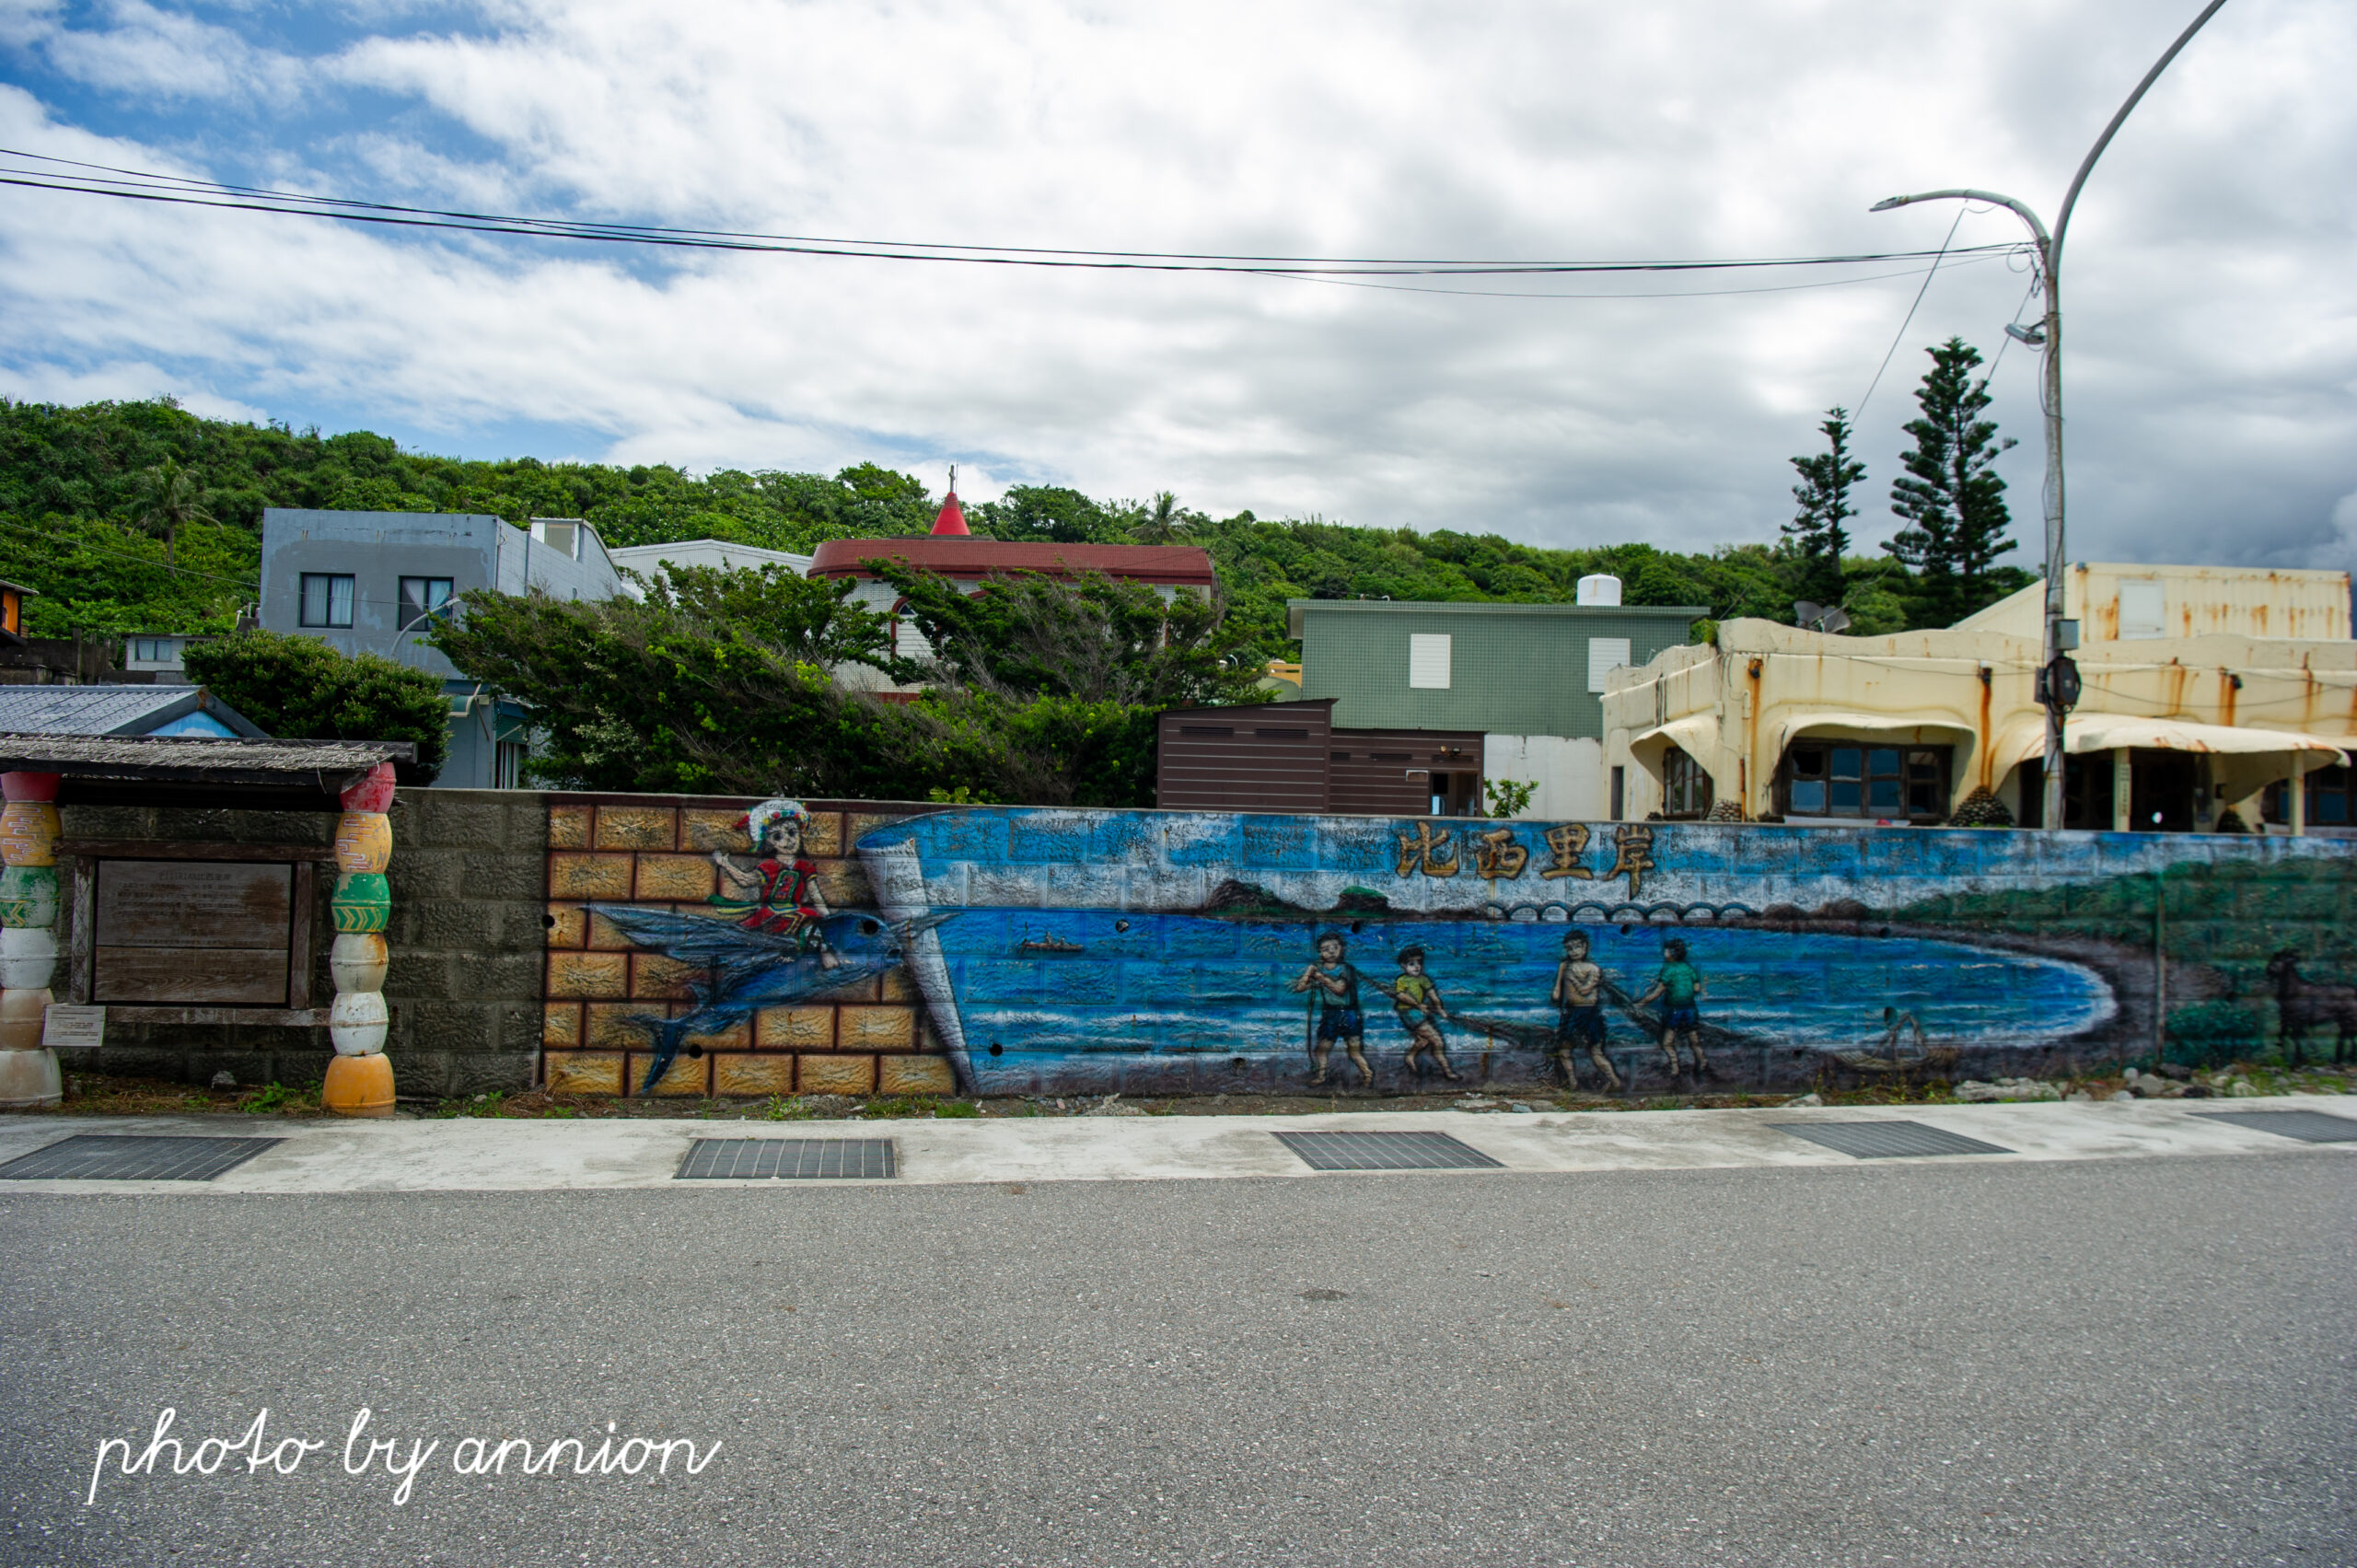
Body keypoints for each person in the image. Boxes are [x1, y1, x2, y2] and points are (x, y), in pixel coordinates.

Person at [711, 797, 835, 964]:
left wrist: (827, 916)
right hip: (771, 912)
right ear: (769, 841)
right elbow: (746, 880)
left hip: (795, 910)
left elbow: (815, 894)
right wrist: (725, 864)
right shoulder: (769, 866)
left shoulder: (804, 866)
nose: (788, 840)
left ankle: (824, 953)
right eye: (778, 836)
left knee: (811, 922)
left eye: (792, 832)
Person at [1289, 932, 1374, 1087]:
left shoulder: (1346, 969)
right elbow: (1300, 988)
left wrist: (1321, 978)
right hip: (1331, 1014)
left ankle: (1368, 1074)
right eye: (1326, 948)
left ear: (1342, 949)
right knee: (1322, 1048)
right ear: (1320, 952)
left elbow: (1339, 989)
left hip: (1349, 1013)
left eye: (1335, 947)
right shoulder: (1319, 969)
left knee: (1354, 1050)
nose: (1332, 951)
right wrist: (1308, 973)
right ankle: (1321, 1075)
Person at [1550, 930, 1622, 1091]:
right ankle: (1572, 1081)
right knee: (1564, 1049)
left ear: (1585, 947)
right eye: (1569, 948)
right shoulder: (1565, 966)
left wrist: (1571, 976)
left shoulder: (1593, 968)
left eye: (1577, 947)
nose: (1574, 952)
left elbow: (1585, 990)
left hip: (1589, 1013)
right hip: (1572, 1012)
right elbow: (1556, 992)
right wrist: (1561, 979)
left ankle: (1615, 1081)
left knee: (1596, 1051)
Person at [1637, 936, 1708, 1082]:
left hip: (1674, 1010)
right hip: (1690, 1009)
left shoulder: (1668, 969)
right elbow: (1696, 987)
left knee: (1667, 1042)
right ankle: (1702, 1060)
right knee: (1693, 1040)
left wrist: (1641, 1003)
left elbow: (1658, 992)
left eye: (1666, 950)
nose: (1664, 952)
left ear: (1672, 953)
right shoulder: (1688, 968)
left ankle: (1675, 1067)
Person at [1388, 947, 1462, 1083]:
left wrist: (1440, 1010)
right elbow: (1401, 995)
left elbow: (1433, 996)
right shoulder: (1402, 980)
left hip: (1418, 1013)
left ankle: (1410, 1057)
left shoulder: (1424, 979)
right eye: (1411, 964)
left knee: (1423, 1040)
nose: (1416, 967)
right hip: (1409, 1013)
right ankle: (1448, 1071)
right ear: (1403, 966)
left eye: (1419, 963)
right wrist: (1418, 1005)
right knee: (1437, 1041)